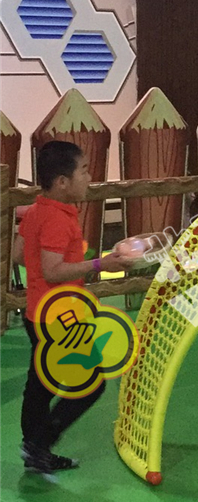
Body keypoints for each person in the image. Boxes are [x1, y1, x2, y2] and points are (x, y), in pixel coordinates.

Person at [12, 140, 125, 474]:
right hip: (60, 318)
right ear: (62, 182)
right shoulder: (57, 220)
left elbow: (19, 255)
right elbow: (52, 271)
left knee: (40, 385)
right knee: (91, 385)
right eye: (84, 171)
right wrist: (100, 264)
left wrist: (55, 262)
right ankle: (39, 444)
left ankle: (35, 449)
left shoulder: (37, 210)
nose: (89, 177)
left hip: (37, 314)